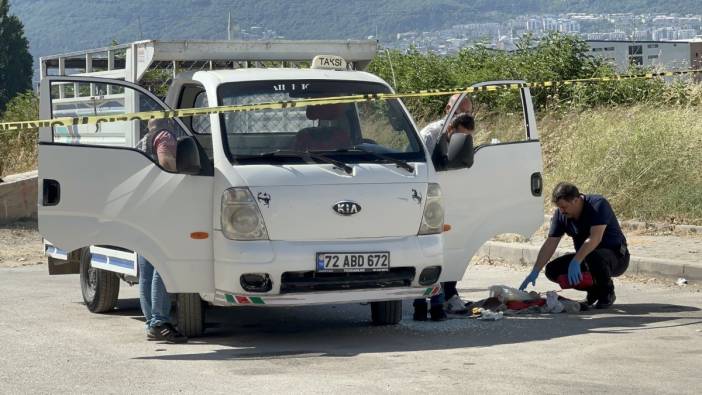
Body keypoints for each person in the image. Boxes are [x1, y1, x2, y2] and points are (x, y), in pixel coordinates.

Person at [519, 182, 630, 309]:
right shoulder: (561, 215)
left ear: (576, 200)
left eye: (564, 207)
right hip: (586, 258)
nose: (561, 211)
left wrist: (576, 261)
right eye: (559, 207)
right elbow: (550, 243)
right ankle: (594, 290)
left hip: (616, 256)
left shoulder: (598, 204)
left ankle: (607, 292)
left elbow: (595, 238)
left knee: (592, 256)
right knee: (553, 270)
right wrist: (535, 270)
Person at [413, 96, 475, 321]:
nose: (464, 115)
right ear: (448, 111)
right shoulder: (430, 134)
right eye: (459, 111)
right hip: (429, 202)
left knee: (446, 253)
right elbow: (420, 168)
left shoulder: (463, 133)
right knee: (429, 254)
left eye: (468, 111)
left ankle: (444, 298)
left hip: (452, 201)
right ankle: (424, 304)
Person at [136, 118, 187, 343]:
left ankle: (151, 323)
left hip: (142, 208)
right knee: (162, 264)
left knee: (146, 268)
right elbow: (167, 164)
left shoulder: (142, 142)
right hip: (161, 207)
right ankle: (159, 322)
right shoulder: (165, 137)